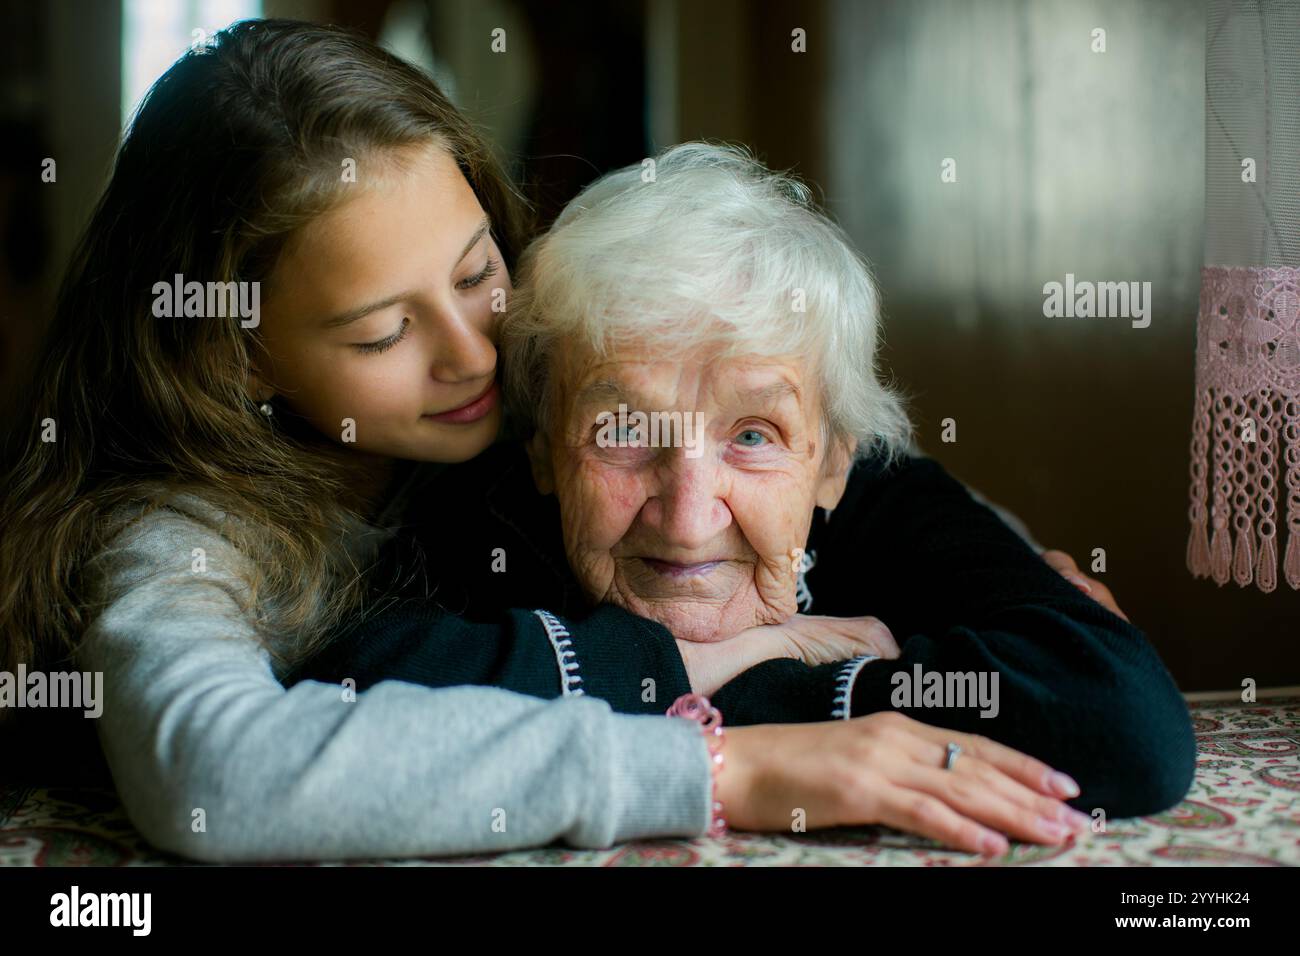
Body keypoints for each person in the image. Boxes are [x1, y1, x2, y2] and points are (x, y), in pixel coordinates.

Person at [0, 20, 1141, 863]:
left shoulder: (534, 391)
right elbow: (223, 773)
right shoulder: (185, 534)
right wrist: (720, 747)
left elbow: (823, 448)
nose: (476, 352)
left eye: (476, 271)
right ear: (233, 350)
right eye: (387, 329)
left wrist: (1000, 551)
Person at [297, 144, 1198, 841]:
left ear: (833, 460)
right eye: (622, 430)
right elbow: (337, 686)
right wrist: (740, 682)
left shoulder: (879, 495)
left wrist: (791, 703)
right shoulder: (491, 504)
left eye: (754, 437)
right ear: (545, 449)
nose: (689, 518)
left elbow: (1119, 722)